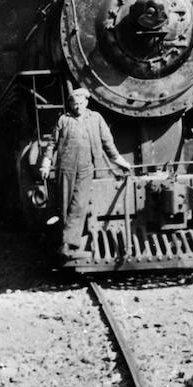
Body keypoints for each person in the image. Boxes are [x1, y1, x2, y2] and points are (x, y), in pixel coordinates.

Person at [46, 87, 130, 258]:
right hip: (66, 166)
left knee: (79, 203)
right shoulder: (64, 120)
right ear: (70, 105)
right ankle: (66, 244)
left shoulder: (96, 118)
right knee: (65, 203)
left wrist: (120, 161)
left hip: (86, 167)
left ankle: (72, 245)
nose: (78, 107)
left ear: (86, 102)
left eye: (80, 103)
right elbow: (52, 143)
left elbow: (108, 142)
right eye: (74, 104)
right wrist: (46, 163)